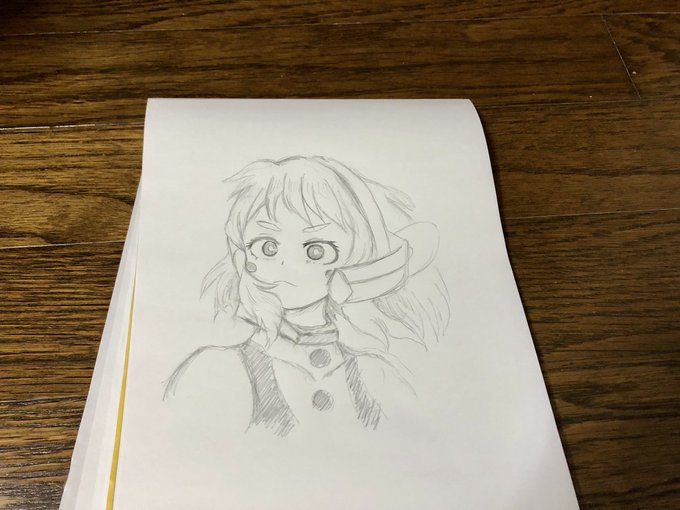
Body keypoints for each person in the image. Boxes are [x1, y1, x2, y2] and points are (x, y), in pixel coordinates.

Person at [165, 155, 449, 436]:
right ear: (243, 256)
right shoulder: (217, 370)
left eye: (316, 250)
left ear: (356, 263)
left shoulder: (379, 374)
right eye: (267, 247)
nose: (287, 264)